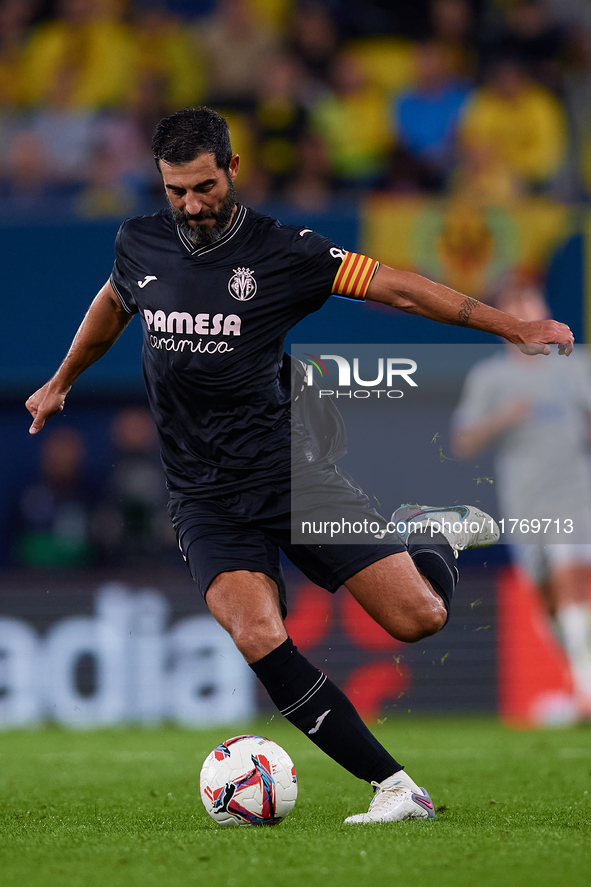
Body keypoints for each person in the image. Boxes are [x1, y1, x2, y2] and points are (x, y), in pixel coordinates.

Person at [25, 107, 574, 824]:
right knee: (255, 632)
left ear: (232, 170)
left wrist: (516, 327)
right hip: (201, 491)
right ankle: (395, 786)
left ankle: (430, 534)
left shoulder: (287, 253)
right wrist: (63, 378)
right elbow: (112, 302)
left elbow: (401, 288)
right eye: (174, 191)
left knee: (419, 618)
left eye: (201, 187)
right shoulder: (141, 241)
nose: (189, 205)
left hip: (288, 474)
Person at [453, 283, 591, 720]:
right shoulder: (490, 378)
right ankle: (580, 681)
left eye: (532, 306)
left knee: (573, 582)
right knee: (548, 600)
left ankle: (586, 691)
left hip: (575, 495)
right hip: (525, 503)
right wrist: (504, 418)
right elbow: (464, 441)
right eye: (516, 311)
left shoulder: (576, 367)